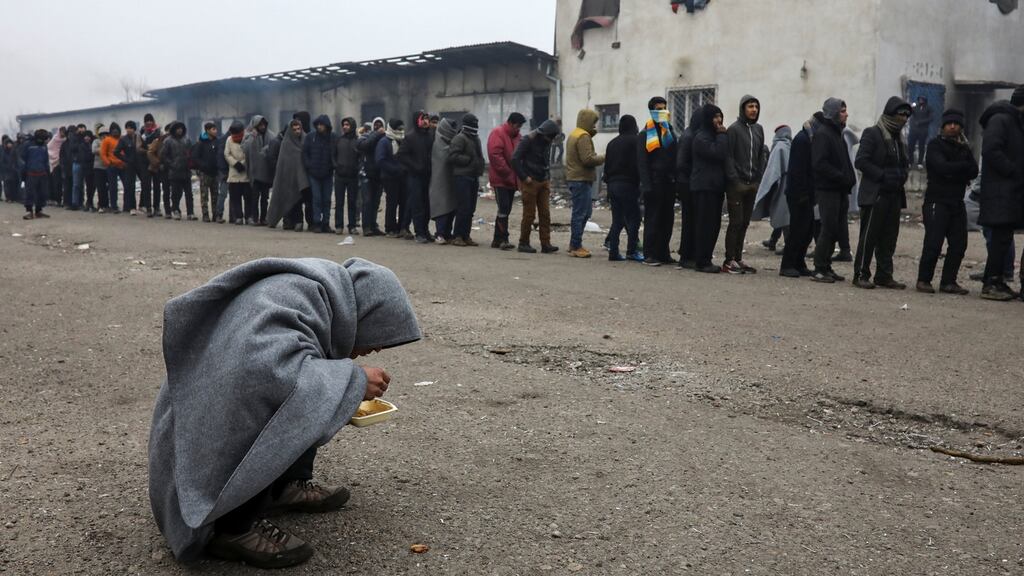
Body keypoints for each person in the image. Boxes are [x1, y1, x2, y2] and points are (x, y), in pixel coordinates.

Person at [148, 257, 421, 569]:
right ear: (365, 312)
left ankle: (284, 486)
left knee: (319, 384)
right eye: (378, 337)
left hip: (216, 403)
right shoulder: (296, 300)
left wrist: (340, 382)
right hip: (207, 437)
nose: (375, 350)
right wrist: (354, 380)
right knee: (298, 396)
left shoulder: (317, 297)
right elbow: (267, 376)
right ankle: (231, 529)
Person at [853, 96, 913, 290]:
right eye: (900, 114)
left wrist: (902, 175)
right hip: (875, 195)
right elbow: (861, 161)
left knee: (889, 238)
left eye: (906, 115)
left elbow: (904, 163)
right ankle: (861, 274)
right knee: (869, 237)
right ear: (890, 114)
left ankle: (884, 275)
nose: (903, 118)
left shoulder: (899, 139)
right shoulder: (873, 133)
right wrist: (883, 176)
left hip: (894, 195)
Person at [916, 109, 978, 295]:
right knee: (934, 242)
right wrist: (960, 167)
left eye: (956, 123)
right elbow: (941, 167)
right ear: (943, 126)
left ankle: (948, 281)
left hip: (956, 202)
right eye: (949, 123)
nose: (953, 126)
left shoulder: (964, 147)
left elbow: (973, 171)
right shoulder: (935, 145)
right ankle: (924, 280)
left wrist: (955, 168)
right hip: (937, 201)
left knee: (959, 244)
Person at [976, 88, 1024, 301]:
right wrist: (1013, 171)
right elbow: (991, 150)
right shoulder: (1001, 120)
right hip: (1000, 191)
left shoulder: (1015, 121)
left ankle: (996, 280)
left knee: (1002, 238)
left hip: (1009, 192)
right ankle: (992, 283)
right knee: (999, 239)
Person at [811, 98, 858, 284]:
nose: (846, 114)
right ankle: (819, 268)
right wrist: (841, 176)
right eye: (842, 111)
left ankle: (827, 266)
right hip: (828, 190)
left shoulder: (837, 133)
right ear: (833, 113)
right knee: (828, 228)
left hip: (839, 190)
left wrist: (848, 179)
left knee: (836, 229)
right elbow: (820, 164)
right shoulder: (824, 134)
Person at [723, 95, 768, 274]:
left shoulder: (759, 129)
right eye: (750, 106)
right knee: (736, 221)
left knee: (745, 222)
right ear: (743, 108)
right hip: (736, 185)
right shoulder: (734, 130)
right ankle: (729, 260)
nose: (754, 110)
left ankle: (738, 258)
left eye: (756, 107)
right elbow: (728, 157)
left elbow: (760, 155)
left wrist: (758, 179)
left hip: (752, 184)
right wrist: (735, 180)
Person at [637, 97, 678, 266]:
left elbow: (675, 155)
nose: (662, 111)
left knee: (667, 220)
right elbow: (642, 162)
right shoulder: (645, 134)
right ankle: (650, 253)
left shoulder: (669, 132)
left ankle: (663, 252)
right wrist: (646, 185)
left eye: (664, 108)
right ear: (652, 111)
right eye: (658, 109)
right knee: (653, 219)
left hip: (669, 182)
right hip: (654, 183)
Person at [690, 104, 729, 274]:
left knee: (713, 225)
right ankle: (702, 261)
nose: (719, 121)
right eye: (715, 117)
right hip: (704, 187)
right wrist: (721, 136)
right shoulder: (701, 137)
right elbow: (718, 153)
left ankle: (706, 258)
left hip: (714, 187)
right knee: (705, 225)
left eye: (720, 116)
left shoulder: (713, 135)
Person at [512, 120, 561, 254]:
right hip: (530, 182)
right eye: (549, 137)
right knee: (529, 215)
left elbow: (545, 159)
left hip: (543, 180)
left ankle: (546, 244)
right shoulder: (527, 140)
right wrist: (524, 177)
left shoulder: (546, 140)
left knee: (545, 214)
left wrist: (547, 176)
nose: (550, 140)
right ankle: (523, 243)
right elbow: (515, 159)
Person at [780, 116, 819, 278]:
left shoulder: (809, 139)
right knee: (797, 230)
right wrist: (802, 193)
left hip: (807, 193)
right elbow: (797, 170)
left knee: (807, 230)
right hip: (799, 194)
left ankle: (798, 262)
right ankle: (787, 264)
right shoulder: (802, 140)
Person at [564, 109, 605, 258]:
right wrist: (604, 157)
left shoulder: (575, 133)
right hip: (580, 179)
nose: (595, 126)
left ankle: (574, 244)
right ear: (587, 121)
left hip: (576, 178)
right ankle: (576, 245)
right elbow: (588, 159)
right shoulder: (583, 136)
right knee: (581, 213)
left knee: (583, 212)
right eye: (593, 122)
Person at [603, 114, 642, 262]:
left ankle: (613, 252)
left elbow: (606, 167)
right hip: (628, 184)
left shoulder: (612, 143)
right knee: (634, 219)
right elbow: (639, 164)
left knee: (617, 220)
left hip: (612, 185)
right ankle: (631, 251)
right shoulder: (636, 141)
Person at [487, 112, 525, 250]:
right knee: (503, 208)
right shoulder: (497, 133)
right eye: (517, 126)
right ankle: (503, 239)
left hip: (511, 179)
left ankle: (497, 239)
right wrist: (509, 173)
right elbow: (495, 155)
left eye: (520, 127)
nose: (518, 129)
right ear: (510, 123)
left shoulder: (517, 137)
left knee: (505, 209)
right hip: (501, 179)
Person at [753, 126, 792, 258]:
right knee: (782, 215)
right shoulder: (789, 146)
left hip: (781, 186)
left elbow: (773, 171)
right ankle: (774, 241)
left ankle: (788, 245)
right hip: (788, 185)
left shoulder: (780, 148)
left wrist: (765, 188)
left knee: (783, 216)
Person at [448, 113, 486, 247]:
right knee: (463, 208)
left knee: (471, 209)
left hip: (473, 176)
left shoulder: (476, 139)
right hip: (462, 177)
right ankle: (457, 235)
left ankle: (466, 235)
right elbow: (452, 156)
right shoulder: (460, 138)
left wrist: (480, 166)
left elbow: (479, 156)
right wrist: (467, 160)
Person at [396, 111, 434, 243]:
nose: (425, 122)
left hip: (427, 176)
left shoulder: (430, 136)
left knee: (427, 205)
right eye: (422, 119)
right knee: (417, 205)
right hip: (414, 177)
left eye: (427, 119)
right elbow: (401, 155)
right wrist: (415, 166)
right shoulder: (410, 137)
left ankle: (426, 230)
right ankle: (419, 233)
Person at [266, 119, 310, 230]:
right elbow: (282, 163)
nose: (297, 131)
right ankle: (291, 222)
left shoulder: (306, 141)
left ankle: (303, 222)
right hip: (289, 179)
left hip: (305, 179)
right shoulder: (286, 144)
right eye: (294, 129)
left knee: (305, 201)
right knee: (291, 200)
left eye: (299, 129)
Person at [674, 108, 702, 269]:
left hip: (687, 182)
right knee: (689, 220)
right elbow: (681, 163)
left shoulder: (690, 134)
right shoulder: (689, 136)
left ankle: (688, 252)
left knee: (691, 220)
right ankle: (686, 254)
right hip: (687, 184)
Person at [303, 115, 335, 233]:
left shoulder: (332, 137)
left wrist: (333, 165)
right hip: (314, 173)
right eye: (318, 124)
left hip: (328, 173)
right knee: (316, 199)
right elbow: (305, 152)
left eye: (322, 124)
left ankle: (326, 223)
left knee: (327, 199)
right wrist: (309, 165)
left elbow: (336, 152)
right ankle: (317, 223)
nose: (319, 127)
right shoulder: (310, 137)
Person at [429, 118, 459, 244]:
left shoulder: (453, 141)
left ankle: (447, 232)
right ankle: (440, 233)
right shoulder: (436, 141)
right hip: (438, 179)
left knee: (451, 206)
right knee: (441, 207)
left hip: (451, 179)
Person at [375, 119, 407, 237]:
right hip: (389, 177)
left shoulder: (402, 140)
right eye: (398, 129)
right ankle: (390, 228)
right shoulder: (384, 142)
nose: (400, 131)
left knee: (403, 202)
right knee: (392, 203)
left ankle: (401, 227)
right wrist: (395, 169)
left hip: (402, 177)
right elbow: (380, 160)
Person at [357, 117, 387, 236]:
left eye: (380, 125)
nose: (377, 127)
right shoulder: (365, 137)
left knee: (375, 202)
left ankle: (373, 225)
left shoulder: (385, 138)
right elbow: (365, 145)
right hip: (366, 174)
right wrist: (376, 135)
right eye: (376, 125)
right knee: (367, 201)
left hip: (378, 175)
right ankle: (366, 226)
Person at [331, 117, 361, 234]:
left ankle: (352, 226)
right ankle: (339, 225)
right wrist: (336, 166)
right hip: (340, 176)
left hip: (353, 176)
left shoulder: (357, 141)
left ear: (352, 126)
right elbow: (333, 155)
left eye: (347, 125)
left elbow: (361, 158)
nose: (345, 127)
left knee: (352, 202)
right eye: (343, 124)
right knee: (339, 202)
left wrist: (357, 168)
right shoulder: (338, 140)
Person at [243, 116, 274, 226]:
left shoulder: (271, 136)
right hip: (255, 173)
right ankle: (254, 218)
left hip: (266, 173)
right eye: (260, 125)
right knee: (254, 197)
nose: (262, 127)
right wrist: (252, 137)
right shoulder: (249, 135)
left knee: (265, 198)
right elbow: (245, 148)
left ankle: (263, 218)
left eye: (264, 125)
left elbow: (273, 149)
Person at [161, 122, 194, 220]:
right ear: (173, 130)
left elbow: (191, 153)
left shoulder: (187, 140)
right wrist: (171, 164)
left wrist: (191, 164)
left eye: (181, 128)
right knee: (175, 193)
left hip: (186, 170)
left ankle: (190, 212)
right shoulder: (168, 141)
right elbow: (164, 155)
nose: (180, 130)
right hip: (174, 171)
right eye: (177, 128)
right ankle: (175, 210)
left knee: (189, 193)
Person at [225, 120, 253, 226]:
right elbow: (227, 154)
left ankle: (248, 216)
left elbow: (250, 152)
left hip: (246, 173)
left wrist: (243, 164)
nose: (236, 136)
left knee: (248, 197)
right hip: (234, 173)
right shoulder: (229, 140)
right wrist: (235, 164)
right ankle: (239, 217)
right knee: (235, 198)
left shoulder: (248, 138)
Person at [113, 120, 143, 214]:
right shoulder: (123, 139)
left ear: (134, 129)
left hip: (140, 164)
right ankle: (132, 207)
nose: (129, 130)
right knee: (131, 186)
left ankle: (143, 205)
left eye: (131, 128)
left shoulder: (139, 137)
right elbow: (116, 152)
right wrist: (125, 159)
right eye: (127, 128)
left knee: (145, 184)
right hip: (130, 165)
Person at [20, 129, 51, 219]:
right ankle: (29, 211)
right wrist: (24, 169)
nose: (45, 140)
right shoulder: (28, 145)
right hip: (30, 173)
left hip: (42, 173)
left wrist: (47, 170)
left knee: (42, 193)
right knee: (30, 193)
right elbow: (22, 158)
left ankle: (39, 211)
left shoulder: (44, 146)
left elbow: (46, 159)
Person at [193, 122, 221, 222]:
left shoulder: (217, 142)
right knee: (204, 196)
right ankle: (205, 215)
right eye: (213, 129)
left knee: (215, 195)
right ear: (208, 130)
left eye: (215, 129)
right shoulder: (201, 143)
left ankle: (216, 215)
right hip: (205, 173)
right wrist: (203, 166)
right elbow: (196, 157)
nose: (215, 131)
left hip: (215, 172)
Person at [139, 114, 162, 218]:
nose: (149, 122)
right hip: (144, 162)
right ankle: (148, 208)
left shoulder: (158, 132)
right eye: (146, 120)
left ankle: (157, 207)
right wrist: (148, 150)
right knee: (146, 186)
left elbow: (162, 145)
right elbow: (138, 148)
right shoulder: (141, 134)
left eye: (150, 120)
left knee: (157, 186)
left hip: (156, 162)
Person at [100, 123, 124, 213]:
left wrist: (125, 162)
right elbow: (102, 153)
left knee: (127, 185)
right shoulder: (107, 140)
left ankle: (127, 206)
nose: (115, 131)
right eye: (113, 129)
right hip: (112, 166)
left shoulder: (122, 140)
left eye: (116, 129)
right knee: (113, 187)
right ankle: (114, 206)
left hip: (122, 165)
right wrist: (108, 163)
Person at [908, 96, 934, 168]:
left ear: (925, 100)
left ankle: (920, 163)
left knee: (921, 147)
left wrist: (921, 122)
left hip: (923, 131)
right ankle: (910, 161)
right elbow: (910, 112)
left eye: (922, 99)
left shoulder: (929, 108)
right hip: (914, 130)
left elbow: (931, 118)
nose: (920, 101)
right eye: (919, 99)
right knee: (910, 146)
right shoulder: (915, 106)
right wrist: (910, 106)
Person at [46, 126, 66, 206]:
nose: (62, 133)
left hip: (61, 163)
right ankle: (53, 198)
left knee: (60, 183)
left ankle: (59, 199)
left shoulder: (65, 140)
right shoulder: (54, 139)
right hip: (53, 163)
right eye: (61, 131)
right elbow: (49, 148)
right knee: (54, 182)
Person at [92, 125, 109, 212]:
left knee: (107, 187)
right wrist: (104, 147)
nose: (104, 136)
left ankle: (106, 205)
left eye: (106, 134)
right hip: (98, 167)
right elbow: (94, 150)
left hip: (108, 167)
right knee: (100, 187)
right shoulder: (96, 141)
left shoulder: (109, 141)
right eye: (102, 134)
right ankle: (101, 205)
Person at [1, 136, 21, 203]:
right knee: (7, 184)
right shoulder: (4, 152)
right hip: (7, 171)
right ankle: (8, 197)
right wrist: (6, 167)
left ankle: (13, 197)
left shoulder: (14, 151)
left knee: (13, 184)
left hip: (14, 171)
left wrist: (15, 167)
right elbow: (2, 162)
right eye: (8, 143)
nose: (9, 145)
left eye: (10, 143)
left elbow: (17, 160)